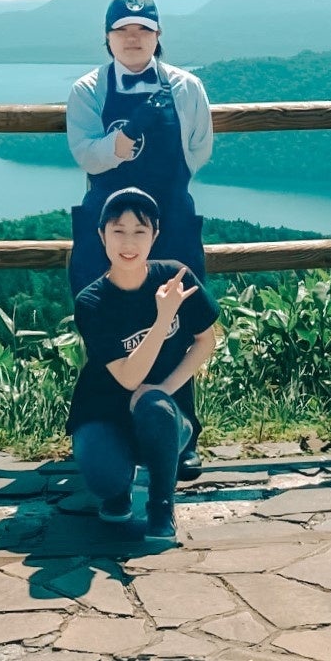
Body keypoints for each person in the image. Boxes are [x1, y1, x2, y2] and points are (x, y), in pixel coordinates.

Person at [67, 0, 214, 475]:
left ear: (158, 36)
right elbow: (87, 154)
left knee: (181, 324)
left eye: (143, 30)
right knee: (110, 326)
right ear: (107, 39)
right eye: (122, 30)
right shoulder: (88, 89)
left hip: (169, 225)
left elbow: (198, 149)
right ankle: (111, 428)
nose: (133, 38)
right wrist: (128, 138)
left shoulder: (187, 87)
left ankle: (180, 430)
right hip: (108, 230)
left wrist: (163, 191)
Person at [67, 187, 219, 544]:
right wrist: (162, 317)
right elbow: (129, 377)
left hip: (163, 412)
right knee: (104, 475)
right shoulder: (92, 302)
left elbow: (206, 341)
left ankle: (161, 505)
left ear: (155, 236)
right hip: (104, 410)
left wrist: (164, 389)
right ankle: (118, 490)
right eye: (118, 230)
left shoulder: (175, 278)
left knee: (154, 407)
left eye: (140, 231)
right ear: (102, 235)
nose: (128, 241)